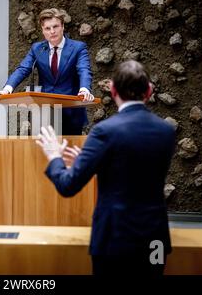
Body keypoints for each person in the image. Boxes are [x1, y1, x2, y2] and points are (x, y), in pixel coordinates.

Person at [36, 60, 176, 276]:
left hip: (114, 239)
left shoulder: (104, 131)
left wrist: (55, 156)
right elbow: (134, 169)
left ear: (112, 90)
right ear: (149, 91)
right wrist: (93, 160)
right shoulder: (166, 131)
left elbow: (68, 185)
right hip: (154, 240)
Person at [0, 8, 94, 135]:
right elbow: (23, 69)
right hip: (45, 113)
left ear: (62, 26)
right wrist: (7, 89)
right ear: (42, 30)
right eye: (47, 28)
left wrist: (85, 89)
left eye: (55, 26)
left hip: (70, 112)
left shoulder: (78, 48)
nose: (52, 31)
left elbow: (84, 70)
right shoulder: (37, 49)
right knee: (42, 152)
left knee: (68, 153)